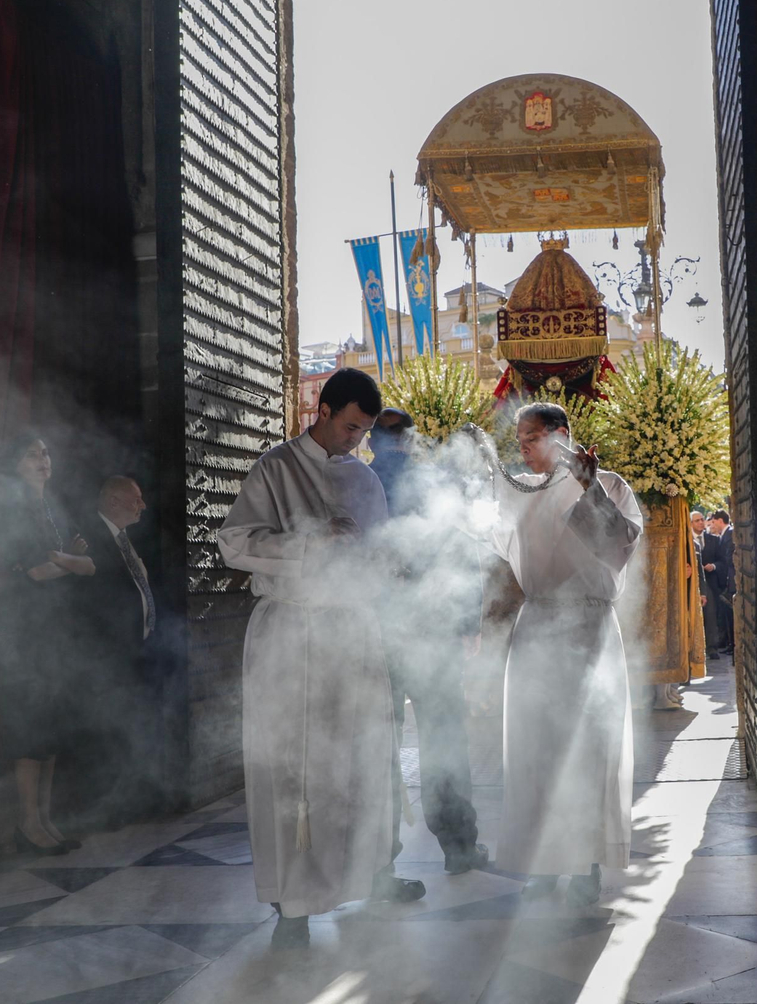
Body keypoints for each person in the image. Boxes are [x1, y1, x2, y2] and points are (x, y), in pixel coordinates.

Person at [216, 367, 418, 951]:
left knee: (358, 764)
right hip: (292, 635)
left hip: (352, 634)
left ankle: (369, 876)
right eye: (351, 427)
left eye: (365, 432)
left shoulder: (367, 480)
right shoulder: (276, 467)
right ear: (323, 410)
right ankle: (293, 910)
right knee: (292, 771)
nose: (357, 441)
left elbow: (377, 555)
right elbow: (234, 544)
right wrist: (309, 543)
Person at [484, 402, 642, 907]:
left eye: (531, 438)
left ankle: (588, 860)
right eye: (519, 440)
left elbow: (618, 546)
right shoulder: (518, 489)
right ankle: (544, 861)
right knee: (537, 748)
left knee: (590, 746)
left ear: (560, 436)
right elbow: (484, 536)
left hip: (590, 628)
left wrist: (586, 487)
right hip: (538, 625)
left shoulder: (610, 484)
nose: (523, 449)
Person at [368, 408, 491, 876]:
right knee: (443, 739)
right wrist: (467, 624)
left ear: (372, 441)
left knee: (378, 742)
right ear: (408, 440)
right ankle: (459, 846)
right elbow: (463, 549)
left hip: (377, 634)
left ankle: (380, 861)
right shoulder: (429, 481)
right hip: (433, 634)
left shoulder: (357, 480)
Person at [0, 434, 96, 857]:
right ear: (15, 463)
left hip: (56, 628)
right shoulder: (12, 508)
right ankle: (28, 823)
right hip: (25, 630)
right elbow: (32, 572)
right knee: (31, 730)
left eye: (46, 452)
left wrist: (64, 560)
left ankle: (45, 819)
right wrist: (70, 562)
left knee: (51, 728)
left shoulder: (54, 506)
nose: (43, 459)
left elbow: (87, 563)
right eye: (32, 453)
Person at [66, 476, 159, 830]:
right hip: (104, 654)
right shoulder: (89, 535)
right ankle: (97, 810)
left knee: (125, 730)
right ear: (114, 501)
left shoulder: (123, 539)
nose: (143, 505)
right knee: (103, 732)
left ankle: (122, 803)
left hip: (135, 649)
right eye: (136, 498)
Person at [703, 510, 736, 658]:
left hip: (730, 580)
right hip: (725, 581)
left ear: (720, 520)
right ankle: (730, 644)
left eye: (714, 521)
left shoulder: (729, 533)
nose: (712, 524)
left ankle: (733, 644)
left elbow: (728, 558)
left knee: (731, 613)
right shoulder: (723, 536)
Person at [690, 510, 721, 660]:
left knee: (710, 615)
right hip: (690, 583)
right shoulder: (686, 540)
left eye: (702, 519)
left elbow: (722, 561)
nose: (701, 522)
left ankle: (712, 648)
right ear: (690, 523)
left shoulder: (713, 540)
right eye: (697, 520)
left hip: (709, 583)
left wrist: (713, 566)